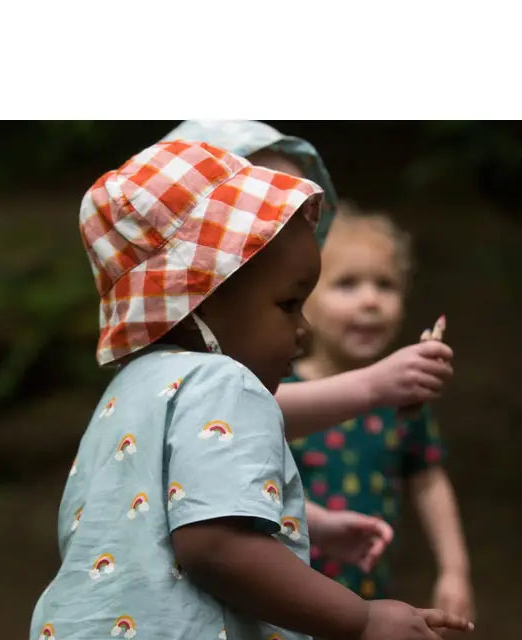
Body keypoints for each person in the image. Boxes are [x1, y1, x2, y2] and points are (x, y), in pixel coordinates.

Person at [27, 139, 472, 640]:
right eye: (288, 303)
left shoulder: (124, 398)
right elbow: (217, 549)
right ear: (201, 295)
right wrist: (359, 623)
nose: (301, 330)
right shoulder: (225, 383)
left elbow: (162, 594)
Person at [165, 120, 455, 578]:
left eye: (384, 284)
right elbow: (249, 416)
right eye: (289, 302)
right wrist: (378, 384)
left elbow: (256, 481)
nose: (370, 300)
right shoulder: (191, 378)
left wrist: (316, 525)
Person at [289, 203, 475, 640]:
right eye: (347, 284)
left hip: (367, 613)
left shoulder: (404, 398)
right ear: (299, 300)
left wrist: (454, 566)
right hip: (279, 616)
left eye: (385, 285)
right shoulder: (273, 392)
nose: (370, 301)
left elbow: (428, 479)